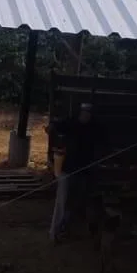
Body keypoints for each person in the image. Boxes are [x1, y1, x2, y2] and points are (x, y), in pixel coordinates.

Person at [49, 99, 100, 242]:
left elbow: (101, 144)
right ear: (80, 113)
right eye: (84, 113)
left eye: (88, 113)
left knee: (74, 202)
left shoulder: (94, 128)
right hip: (66, 170)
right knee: (62, 201)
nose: (86, 116)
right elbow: (55, 127)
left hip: (83, 171)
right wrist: (52, 127)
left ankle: (65, 229)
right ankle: (54, 233)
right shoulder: (71, 123)